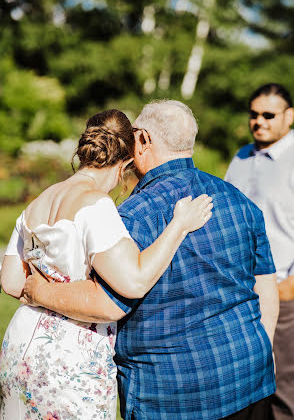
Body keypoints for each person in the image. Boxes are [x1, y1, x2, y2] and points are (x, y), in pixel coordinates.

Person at [21, 100, 278, 420]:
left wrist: (38, 291)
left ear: (142, 139)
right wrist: (257, 350)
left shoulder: (131, 217)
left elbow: (108, 304)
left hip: (169, 392)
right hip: (251, 378)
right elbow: (267, 286)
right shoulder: (239, 200)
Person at [0, 108, 213, 420]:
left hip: (20, 345)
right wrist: (178, 226)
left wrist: (44, 290)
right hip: (69, 356)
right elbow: (134, 281)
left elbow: (11, 282)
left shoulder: (38, 201)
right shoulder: (95, 205)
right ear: (124, 163)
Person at [225, 83, 294, 420]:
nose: (259, 121)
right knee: (245, 390)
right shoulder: (240, 157)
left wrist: (289, 286)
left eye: (269, 114)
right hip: (240, 295)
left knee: (283, 389)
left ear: (289, 116)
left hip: (283, 294)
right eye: (254, 114)